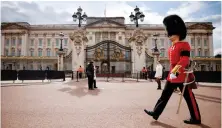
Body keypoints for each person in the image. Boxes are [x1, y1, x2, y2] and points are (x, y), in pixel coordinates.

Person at [144, 14, 201, 124]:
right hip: (172, 76)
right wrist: (171, 73)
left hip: (182, 76)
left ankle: (196, 118)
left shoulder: (185, 45)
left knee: (190, 99)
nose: (168, 34)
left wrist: (175, 71)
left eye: (170, 32)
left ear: (177, 32)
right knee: (164, 96)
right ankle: (156, 113)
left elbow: (184, 60)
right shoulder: (171, 47)